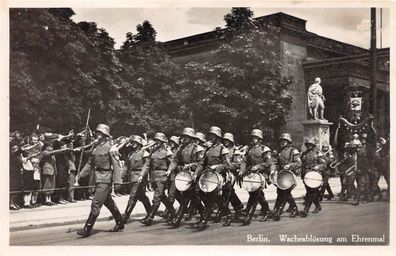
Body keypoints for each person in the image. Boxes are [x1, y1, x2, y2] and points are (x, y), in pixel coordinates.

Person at [76, 124, 124, 237]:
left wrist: (118, 181)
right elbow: (89, 164)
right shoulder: (96, 147)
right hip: (97, 177)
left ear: (104, 135)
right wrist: (79, 176)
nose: (97, 134)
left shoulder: (110, 147)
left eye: (99, 133)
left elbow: (116, 165)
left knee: (96, 202)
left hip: (105, 177)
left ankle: (87, 228)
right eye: (97, 132)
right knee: (108, 202)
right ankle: (120, 222)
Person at [193, 126, 232, 230]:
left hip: (218, 177)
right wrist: (196, 173)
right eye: (210, 135)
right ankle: (228, 215)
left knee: (212, 198)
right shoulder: (208, 149)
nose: (210, 137)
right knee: (205, 195)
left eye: (213, 135)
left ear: (217, 136)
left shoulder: (223, 149)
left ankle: (204, 221)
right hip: (207, 176)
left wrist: (217, 167)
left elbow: (227, 165)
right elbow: (201, 163)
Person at [166, 127, 201, 228]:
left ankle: (178, 219)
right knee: (190, 197)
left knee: (190, 197)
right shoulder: (181, 148)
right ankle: (202, 214)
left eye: (186, 136)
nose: (184, 138)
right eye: (183, 136)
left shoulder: (196, 148)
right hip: (184, 175)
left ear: (191, 137)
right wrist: (170, 169)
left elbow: (200, 163)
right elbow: (175, 160)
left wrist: (191, 167)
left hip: (194, 175)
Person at [138, 132, 175, 226]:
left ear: (162, 142)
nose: (157, 142)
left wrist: (170, 170)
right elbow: (147, 164)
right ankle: (173, 212)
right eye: (156, 140)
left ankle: (150, 217)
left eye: (159, 141)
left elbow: (173, 162)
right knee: (162, 197)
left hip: (162, 176)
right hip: (153, 176)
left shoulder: (167, 151)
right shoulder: (153, 151)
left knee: (157, 197)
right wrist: (141, 175)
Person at [238, 129, 272, 225]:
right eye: (252, 137)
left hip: (261, 175)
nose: (253, 139)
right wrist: (241, 170)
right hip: (250, 175)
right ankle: (267, 211)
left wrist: (258, 166)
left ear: (260, 139)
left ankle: (248, 216)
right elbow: (244, 161)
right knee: (258, 195)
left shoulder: (264, 149)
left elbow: (268, 163)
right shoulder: (249, 149)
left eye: (255, 137)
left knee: (254, 195)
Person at [121, 135, 152, 224]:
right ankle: (150, 213)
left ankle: (125, 217)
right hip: (132, 177)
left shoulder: (144, 153)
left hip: (140, 177)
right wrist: (121, 176)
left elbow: (147, 166)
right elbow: (126, 166)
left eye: (135, 142)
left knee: (133, 196)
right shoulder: (131, 153)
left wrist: (142, 176)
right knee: (142, 196)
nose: (133, 144)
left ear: (139, 143)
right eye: (132, 142)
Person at [271, 133, 301, 221]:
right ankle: (293, 209)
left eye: (285, 141)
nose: (283, 142)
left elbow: (298, 163)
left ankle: (278, 211)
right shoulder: (278, 151)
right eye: (282, 141)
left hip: (289, 174)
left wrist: (290, 165)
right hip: (281, 174)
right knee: (280, 192)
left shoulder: (294, 151)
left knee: (285, 192)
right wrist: (273, 170)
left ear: (288, 142)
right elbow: (274, 162)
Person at [219, 132, 244, 224]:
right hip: (223, 173)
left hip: (231, 174)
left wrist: (228, 167)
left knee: (227, 191)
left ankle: (224, 211)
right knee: (229, 191)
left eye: (227, 140)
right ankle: (238, 206)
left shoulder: (235, 151)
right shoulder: (222, 149)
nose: (225, 141)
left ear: (231, 141)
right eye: (224, 140)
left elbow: (238, 164)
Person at [300, 138, 326, 217]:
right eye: (307, 144)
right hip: (306, 175)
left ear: (313, 145)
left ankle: (306, 209)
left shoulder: (318, 153)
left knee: (311, 192)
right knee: (310, 191)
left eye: (310, 144)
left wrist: (318, 167)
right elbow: (301, 163)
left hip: (315, 175)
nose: (308, 146)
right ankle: (318, 206)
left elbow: (324, 164)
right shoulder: (303, 154)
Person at [10, 142, 23, 210]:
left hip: (18, 173)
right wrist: (21, 149)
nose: (15, 150)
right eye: (13, 149)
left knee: (17, 188)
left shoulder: (18, 156)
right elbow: (16, 152)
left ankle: (14, 202)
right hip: (12, 173)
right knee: (13, 188)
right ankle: (11, 203)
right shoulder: (11, 155)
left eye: (16, 149)